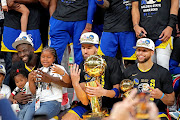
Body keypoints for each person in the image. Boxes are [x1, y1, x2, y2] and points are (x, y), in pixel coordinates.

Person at [62, 32, 122, 120]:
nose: (85, 51)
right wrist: (75, 84)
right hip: (88, 106)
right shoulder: (81, 66)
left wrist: (103, 92)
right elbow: (85, 101)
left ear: (97, 48)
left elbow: (117, 92)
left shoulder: (111, 62)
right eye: (83, 48)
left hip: (110, 105)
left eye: (89, 48)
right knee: (67, 118)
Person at [123, 38, 175, 120]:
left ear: (152, 52)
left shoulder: (163, 72)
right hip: (134, 114)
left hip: (157, 114)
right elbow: (122, 97)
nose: (140, 53)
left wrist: (161, 95)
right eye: (138, 50)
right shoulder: (128, 71)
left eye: (144, 51)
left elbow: (171, 101)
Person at [1, 0, 43, 86]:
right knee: (11, 66)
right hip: (11, 23)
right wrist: (4, 3)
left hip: (32, 23)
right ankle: (10, 95)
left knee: (33, 63)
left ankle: (36, 94)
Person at [23, 46, 71, 120]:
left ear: (54, 59)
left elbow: (68, 82)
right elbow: (34, 93)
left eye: (48, 57)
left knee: (38, 118)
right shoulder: (39, 71)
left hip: (53, 101)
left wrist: (62, 73)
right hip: (38, 101)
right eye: (43, 57)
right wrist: (30, 80)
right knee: (26, 118)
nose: (45, 59)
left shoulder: (58, 68)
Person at [131, 0, 179, 70]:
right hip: (144, 32)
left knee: (162, 64)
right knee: (146, 66)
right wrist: (136, 26)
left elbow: (175, 3)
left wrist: (170, 26)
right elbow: (135, 6)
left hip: (164, 31)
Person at [49, 0, 97, 65]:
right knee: (54, 52)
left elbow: (92, 2)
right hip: (59, 20)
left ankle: (81, 74)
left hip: (80, 20)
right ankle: (51, 73)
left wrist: (89, 25)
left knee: (81, 51)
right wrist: (52, 20)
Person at [96, 0, 137, 67]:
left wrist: (136, 25)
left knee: (130, 62)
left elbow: (136, 6)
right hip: (110, 28)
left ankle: (129, 77)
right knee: (105, 61)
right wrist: (100, 1)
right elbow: (106, 4)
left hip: (128, 29)